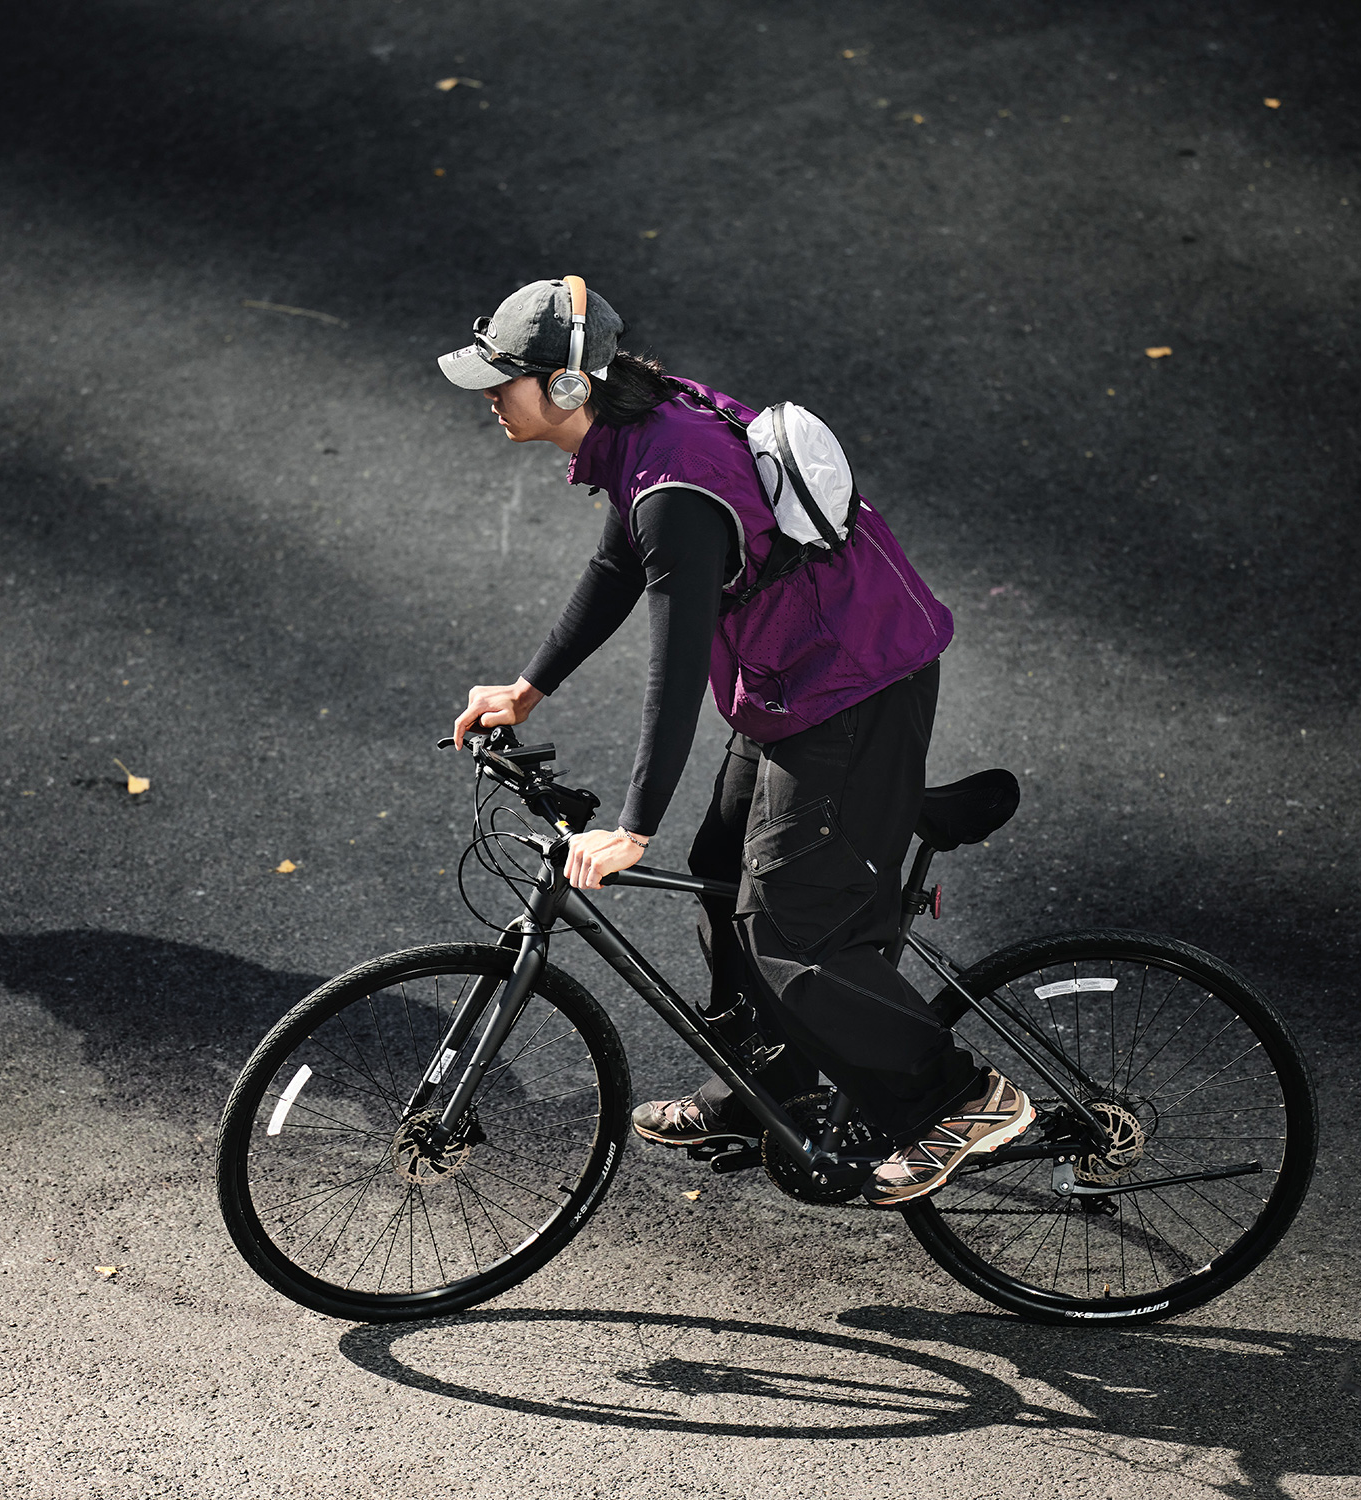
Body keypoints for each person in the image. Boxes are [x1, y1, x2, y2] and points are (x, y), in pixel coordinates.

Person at [441, 276, 1033, 1204]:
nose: (487, 397)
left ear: (567, 385)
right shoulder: (640, 428)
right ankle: (769, 1088)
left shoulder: (672, 484)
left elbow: (675, 673)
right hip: (795, 683)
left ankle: (959, 1099)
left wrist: (632, 827)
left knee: (788, 931)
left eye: (501, 380)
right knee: (722, 876)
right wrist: (529, 688)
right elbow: (616, 566)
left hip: (852, 689)